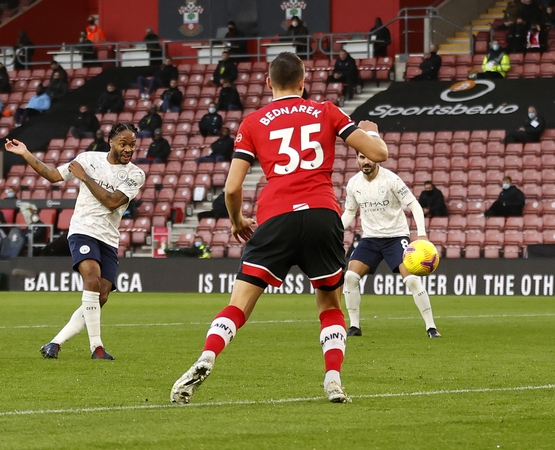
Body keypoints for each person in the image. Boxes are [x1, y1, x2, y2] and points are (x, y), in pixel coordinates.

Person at [170, 52, 389, 405]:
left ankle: (208, 355)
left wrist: (238, 220)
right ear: (304, 81)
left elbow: (231, 188)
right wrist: (371, 131)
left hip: (276, 216)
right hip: (321, 212)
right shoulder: (327, 111)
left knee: (239, 303)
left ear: (268, 82)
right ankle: (333, 378)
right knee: (330, 303)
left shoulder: (253, 122)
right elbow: (378, 155)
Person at [5, 123, 145, 361]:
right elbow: (52, 176)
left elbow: (112, 202)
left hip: (109, 238)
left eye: (132, 144)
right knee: (91, 280)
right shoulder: (88, 158)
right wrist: (26, 153)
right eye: (123, 143)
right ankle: (97, 348)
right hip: (83, 230)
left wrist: (85, 178)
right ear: (111, 141)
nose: (128, 149)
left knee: (101, 295)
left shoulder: (135, 174)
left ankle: (55, 343)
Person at [341, 151, 441, 339]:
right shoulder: (354, 183)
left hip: (396, 237)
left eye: (369, 157)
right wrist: (335, 231)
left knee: (411, 280)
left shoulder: (391, 179)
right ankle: (354, 326)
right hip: (370, 238)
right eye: (362, 157)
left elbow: (414, 205)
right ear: (357, 159)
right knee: (351, 277)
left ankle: (431, 327)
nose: (366, 161)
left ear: (376, 158)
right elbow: (350, 212)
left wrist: (421, 235)